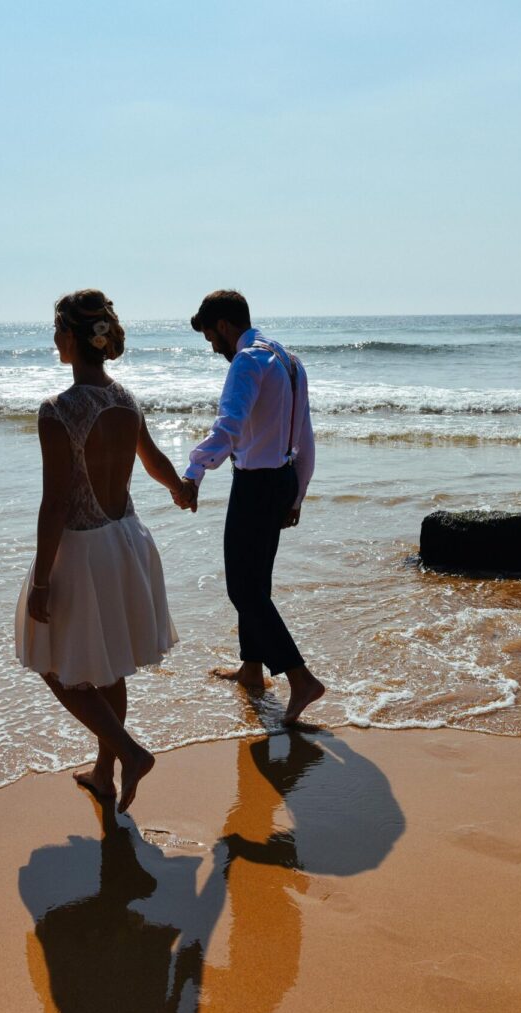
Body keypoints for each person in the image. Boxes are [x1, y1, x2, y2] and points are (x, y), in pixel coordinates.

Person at [15, 289, 189, 813]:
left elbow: (55, 504)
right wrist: (181, 488)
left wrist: (42, 580)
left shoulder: (59, 410)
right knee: (109, 666)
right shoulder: (125, 399)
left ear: (70, 338)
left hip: (83, 548)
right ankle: (104, 773)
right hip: (126, 541)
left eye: (56, 331)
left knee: (50, 662)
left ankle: (131, 754)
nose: (53, 340)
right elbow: (155, 460)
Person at [176, 290, 325, 725]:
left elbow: (229, 423)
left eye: (210, 338)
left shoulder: (247, 361)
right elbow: (306, 435)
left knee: (243, 589)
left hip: (256, 485)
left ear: (224, 325)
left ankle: (301, 679)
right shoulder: (288, 359)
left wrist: (194, 471)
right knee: (256, 582)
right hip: (280, 480)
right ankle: (251, 669)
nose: (213, 348)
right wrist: (297, 493)